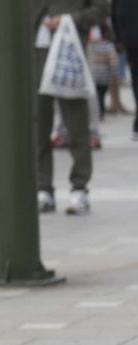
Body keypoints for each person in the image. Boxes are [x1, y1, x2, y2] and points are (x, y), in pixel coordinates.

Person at [35, 0, 109, 216]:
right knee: (38, 123)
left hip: (70, 46)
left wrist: (70, 20)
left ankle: (79, 186)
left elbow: (102, 8)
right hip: (36, 51)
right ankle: (42, 186)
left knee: (76, 123)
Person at [118, 0, 138, 136]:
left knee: (136, 79)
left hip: (130, 40)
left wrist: (118, 38)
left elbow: (115, 11)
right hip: (131, 40)